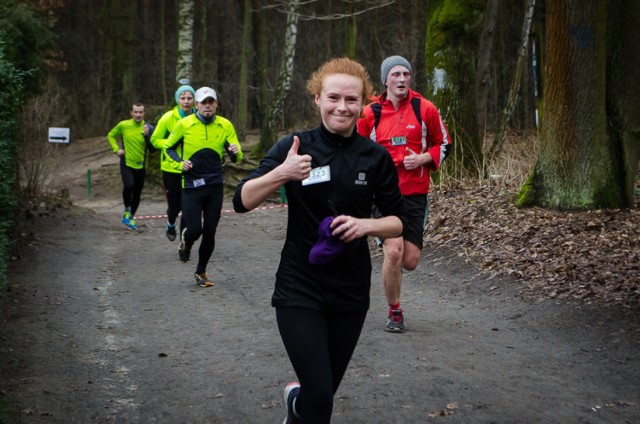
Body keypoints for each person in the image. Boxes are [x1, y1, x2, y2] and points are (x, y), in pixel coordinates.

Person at [233, 58, 406, 424]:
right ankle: (304, 403)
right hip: (301, 283)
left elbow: (397, 223)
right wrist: (282, 173)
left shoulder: (374, 157)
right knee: (322, 396)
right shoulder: (294, 147)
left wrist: (365, 226)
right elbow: (242, 200)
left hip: (350, 289)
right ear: (317, 99)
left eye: (351, 99)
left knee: (320, 394)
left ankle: (298, 405)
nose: (342, 107)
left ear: (364, 103)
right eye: (333, 97)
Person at [357, 55, 451, 333]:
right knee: (394, 252)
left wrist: (422, 159)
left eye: (406, 74)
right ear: (385, 80)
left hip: (414, 194)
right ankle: (394, 311)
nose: (401, 79)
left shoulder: (426, 109)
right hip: (383, 195)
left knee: (409, 261)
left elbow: (444, 144)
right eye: (395, 74)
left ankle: (393, 268)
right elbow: (356, 150)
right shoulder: (369, 113)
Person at [165, 86, 242, 287]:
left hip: (215, 186)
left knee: (210, 231)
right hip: (191, 186)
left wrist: (235, 152)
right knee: (195, 230)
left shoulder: (225, 125)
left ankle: (201, 272)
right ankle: (187, 241)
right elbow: (168, 148)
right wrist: (179, 164)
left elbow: (236, 154)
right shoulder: (184, 124)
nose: (207, 106)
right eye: (203, 103)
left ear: (216, 104)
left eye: (211, 102)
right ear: (197, 105)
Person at [150, 85, 196, 241]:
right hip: (171, 168)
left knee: (188, 206)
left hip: (191, 168)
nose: (186, 101)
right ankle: (170, 223)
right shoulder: (168, 118)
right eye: (183, 98)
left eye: (189, 98)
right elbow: (154, 140)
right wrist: (172, 143)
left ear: (194, 100)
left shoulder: (198, 117)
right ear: (177, 100)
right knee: (175, 206)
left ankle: (184, 241)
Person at [107, 103, 155, 230]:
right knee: (129, 186)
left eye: (140, 112)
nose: (138, 115)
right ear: (131, 113)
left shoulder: (149, 128)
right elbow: (111, 135)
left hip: (141, 165)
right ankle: (127, 209)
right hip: (126, 162)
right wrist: (116, 149)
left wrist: (146, 136)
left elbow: (153, 149)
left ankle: (131, 217)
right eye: (135, 112)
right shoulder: (123, 125)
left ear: (144, 114)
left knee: (137, 193)